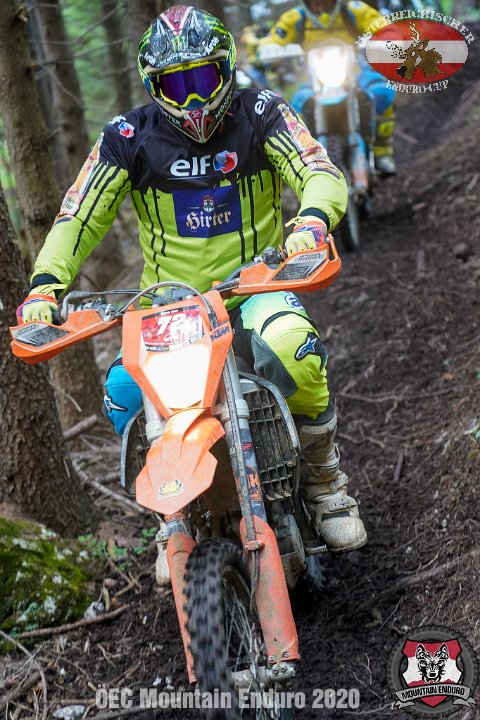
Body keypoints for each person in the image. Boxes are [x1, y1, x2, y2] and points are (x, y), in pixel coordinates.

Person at [16, 5, 366, 553]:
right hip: (169, 307)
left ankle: (326, 483)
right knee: (123, 394)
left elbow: (316, 169)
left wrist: (312, 221)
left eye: (203, 78)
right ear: (154, 86)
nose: (194, 99)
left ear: (225, 68)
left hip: (254, 287)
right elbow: (78, 216)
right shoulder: (127, 137)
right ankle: (172, 518)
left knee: (293, 347)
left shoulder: (261, 112)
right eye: (176, 86)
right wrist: (45, 286)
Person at [260, 0, 397, 175]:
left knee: (381, 92)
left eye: (326, 3)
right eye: (315, 4)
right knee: (295, 106)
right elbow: (276, 38)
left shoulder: (353, 10)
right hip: (312, 76)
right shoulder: (295, 18)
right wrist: (270, 49)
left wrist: (387, 37)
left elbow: (382, 26)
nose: (321, 7)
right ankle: (303, 157)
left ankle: (382, 152)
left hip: (354, 71)